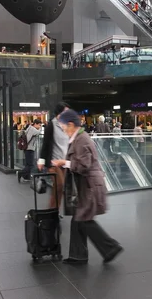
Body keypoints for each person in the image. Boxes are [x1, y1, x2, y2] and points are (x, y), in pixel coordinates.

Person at [51, 109, 123, 264]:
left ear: (71, 125)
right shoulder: (79, 138)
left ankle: (110, 247)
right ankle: (79, 255)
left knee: (83, 218)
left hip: (89, 185)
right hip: (87, 184)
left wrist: (64, 163)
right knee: (79, 219)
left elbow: (84, 165)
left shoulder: (82, 139)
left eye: (64, 127)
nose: (64, 131)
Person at [38, 102, 70, 208]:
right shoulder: (51, 125)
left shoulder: (68, 126)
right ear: (59, 113)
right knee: (59, 185)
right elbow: (45, 144)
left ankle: (54, 209)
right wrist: (42, 160)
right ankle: (53, 210)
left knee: (60, 187)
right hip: (54, 162)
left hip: (65, 162)